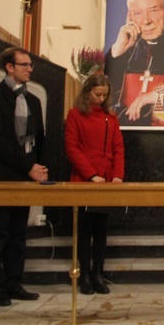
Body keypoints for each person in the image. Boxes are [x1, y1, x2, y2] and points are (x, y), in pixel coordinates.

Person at [0, 47, 49, 306]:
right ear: (9, 67)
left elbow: (39, 139)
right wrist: (28, 166)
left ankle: (14, 282)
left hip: (26, 175)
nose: (30, 69)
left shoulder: (33, 100)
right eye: (24, 65)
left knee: (18, 232)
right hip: (1, 175)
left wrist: (39, 167)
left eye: (30, 65)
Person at [64, 74, 125, 295]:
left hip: (107, 179)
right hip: (85, 178)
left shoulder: (111, 117)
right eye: (97, 94)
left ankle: (99, 272)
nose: (101, 98)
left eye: (104, 95)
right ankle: (85, 274)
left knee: (101, 227)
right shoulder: (75, 115)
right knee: (84, 227)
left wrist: (117, 175)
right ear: (87, 91)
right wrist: (91, 175)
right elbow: (72, 148)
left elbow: (118, 149)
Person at [105, 0, 164, 126]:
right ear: (129, 16)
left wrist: (161, 96)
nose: (146, 21)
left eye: (153, 11)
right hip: (127, 133)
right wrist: (117, 53)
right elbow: (106, 98)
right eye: (137, 13)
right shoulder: (125, 45)